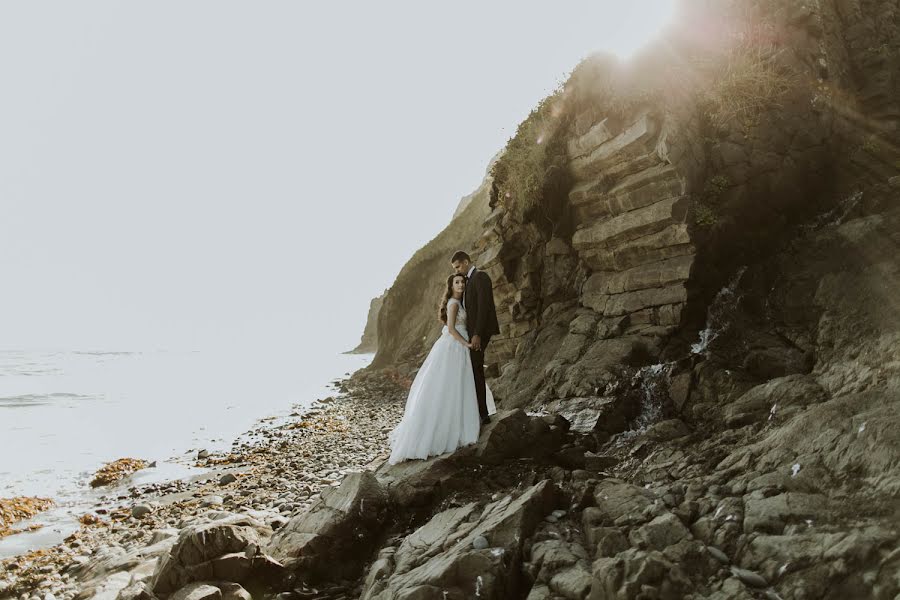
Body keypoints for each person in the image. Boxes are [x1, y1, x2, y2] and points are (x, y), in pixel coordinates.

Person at [388, 273, 496, 464]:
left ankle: (464, 420)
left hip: (460, 347)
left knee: (462, 384)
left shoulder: (460, 302)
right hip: (455, 346)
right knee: (450, 385)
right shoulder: (453, 304)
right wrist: (467, 344)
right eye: (457, 282)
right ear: (451, 285)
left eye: (463, 282)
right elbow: (452, 329)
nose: (461, 284)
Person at [450, 251, 500, 425]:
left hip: (480, 333)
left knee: (476, 369)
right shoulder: (467, 282)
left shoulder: (480, 277)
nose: (457, 270)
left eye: (458, 266)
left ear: (465, 262)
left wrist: (477, 334)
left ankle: (483, 415)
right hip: (471, 333)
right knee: (474, 369)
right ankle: (479, 412)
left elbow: (484, 307)